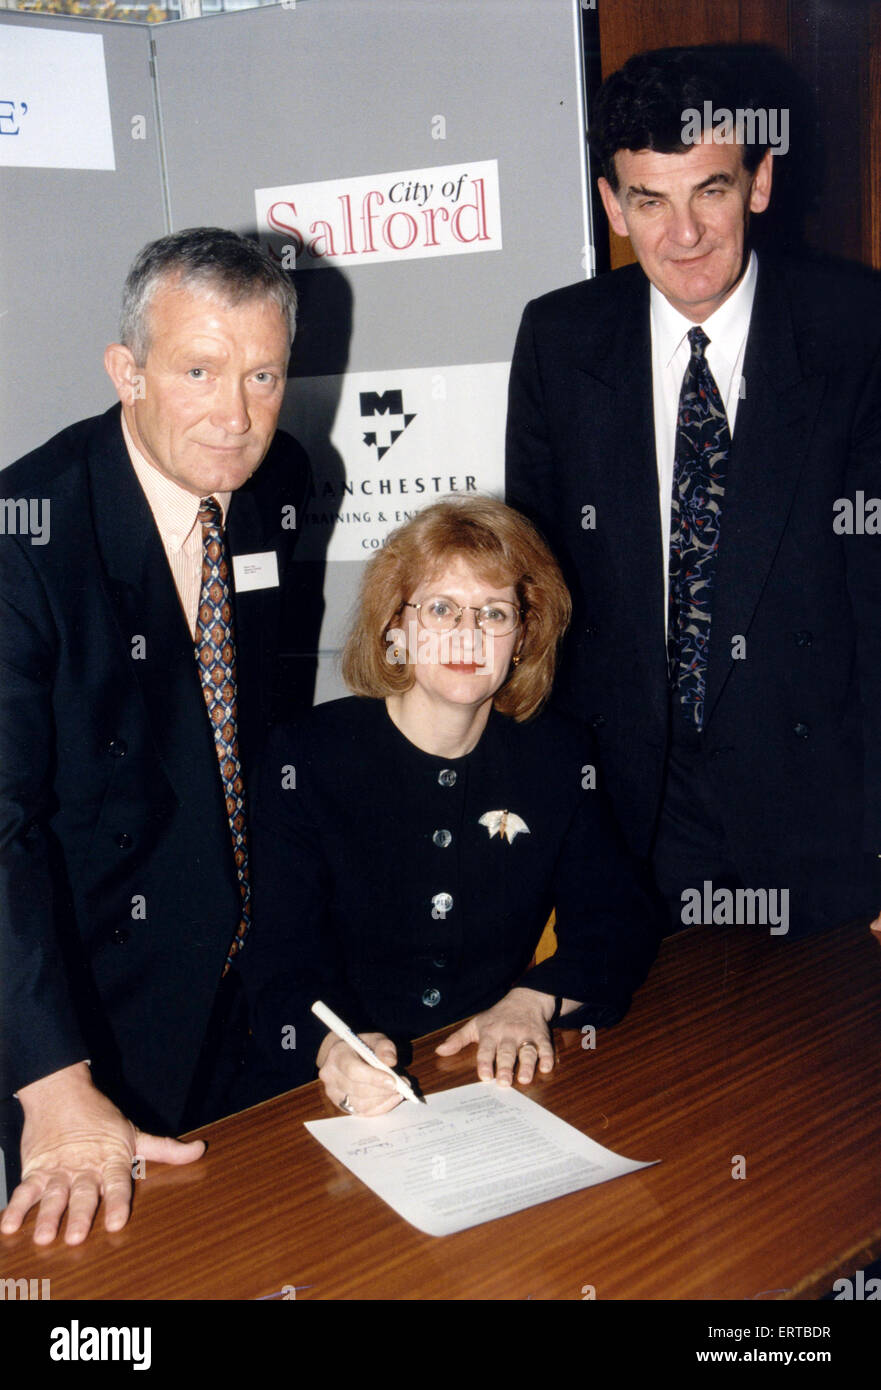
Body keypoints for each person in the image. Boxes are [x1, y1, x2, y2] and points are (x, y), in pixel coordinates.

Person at [506, 45, 881, 939]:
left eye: (709, 190)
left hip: (824, 814)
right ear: (613, 206)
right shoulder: (559, 340)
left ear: (757, 182)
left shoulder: (855, 327)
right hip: (631, 817)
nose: (683, 234)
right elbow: (536, 592)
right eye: (649, 200)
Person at [0, 227, 310, 1243]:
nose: (236, 416)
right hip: (83, 1023)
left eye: (263, 374)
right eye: (198, 371)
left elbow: (259, 740)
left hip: (246, 997)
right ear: (125, 371)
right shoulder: (26, 538)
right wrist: (50, 1080)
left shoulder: (284, 484)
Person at [242, 496, 660, 1116]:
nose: (469, 636)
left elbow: (617, 924)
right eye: (441, 609)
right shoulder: (307, 756)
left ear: (521, 639)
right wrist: (331, 1048)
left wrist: (534, 999)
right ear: (395, 630)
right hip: (331, 1085)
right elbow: (278, 959)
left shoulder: (560, 754)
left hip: (493, 1070)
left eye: (494, 613)